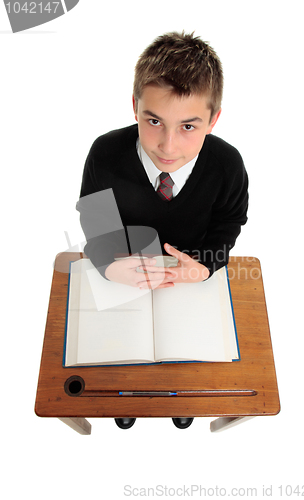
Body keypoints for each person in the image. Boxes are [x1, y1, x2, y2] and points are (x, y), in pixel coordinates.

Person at [77, 32, 249, 430]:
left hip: (189, 280)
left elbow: (229, 223)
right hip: (124, 276)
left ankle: (180, 400)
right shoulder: (104, 154)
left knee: (187, 354)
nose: (168, 145)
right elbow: (95, 220)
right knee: (120, 355)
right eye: (154, 121)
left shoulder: (227, 165)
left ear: (214, 119)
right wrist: (107, 265)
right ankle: (127, 400)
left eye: (189, 126)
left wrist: (205, 265)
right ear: (135, 107)